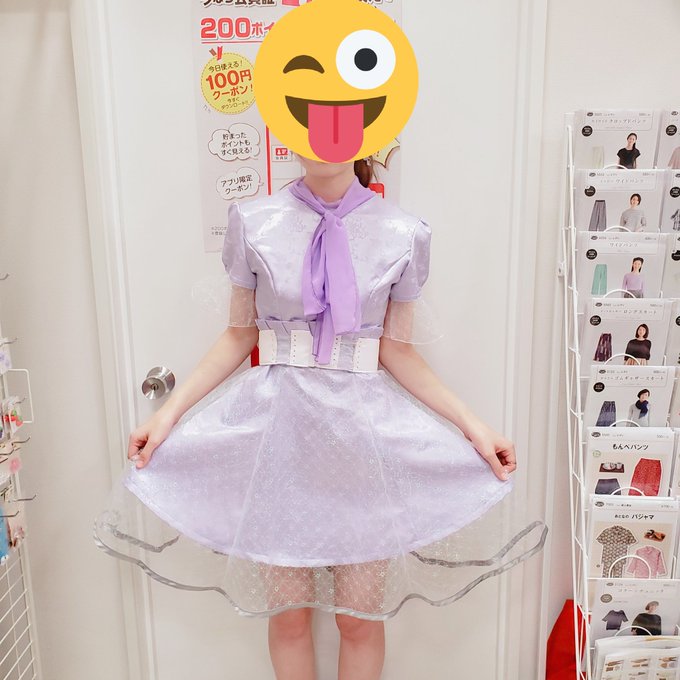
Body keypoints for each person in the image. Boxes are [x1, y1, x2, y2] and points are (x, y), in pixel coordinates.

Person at [94, 157, 546, 680]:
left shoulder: (403, 232)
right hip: (279, 441)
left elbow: (397, 351)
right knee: (288, 618)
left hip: (360, 445)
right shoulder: (254, 221)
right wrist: (169, 417)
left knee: (359, 620)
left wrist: (475, 427)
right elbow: (239, 334)